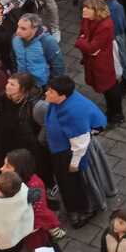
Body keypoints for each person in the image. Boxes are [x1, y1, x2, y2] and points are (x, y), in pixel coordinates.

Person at [43, 75, 106, 228]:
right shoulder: (60, 101)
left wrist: (74, 163)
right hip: (61, 147)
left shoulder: (73, 113)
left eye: (51, 92)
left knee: (71, 184)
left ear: (62, 96)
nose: (46, 93)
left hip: (68, 153)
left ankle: (82, 211)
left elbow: (80, 143)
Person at [74, 0, 124, 125]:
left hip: (103, 61)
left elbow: (91, 46)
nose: (84, 10)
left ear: (96, 10)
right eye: (84, 7)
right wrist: (85, 42)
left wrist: (81, 42)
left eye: (87, 8)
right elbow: (83, 35)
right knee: (105, 88)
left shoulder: (105, 25)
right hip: (92, 59)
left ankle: (117, 114)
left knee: (110, 86)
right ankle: (111, 110)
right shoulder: (87, 19)